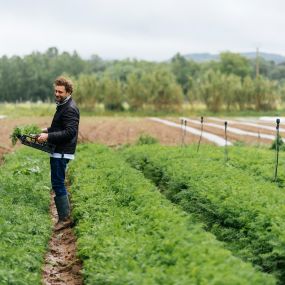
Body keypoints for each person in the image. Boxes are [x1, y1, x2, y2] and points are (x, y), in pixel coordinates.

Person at [37, 76, 80, 231]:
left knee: (58, 183)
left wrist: (48, 137)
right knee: (58, 182)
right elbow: (61, 127)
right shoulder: (63, 105)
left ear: (68, 91)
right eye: (55, 91)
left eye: (60, 91)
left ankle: (65, 219)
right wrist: (46, 130)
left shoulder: (69, 108)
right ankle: (64, 215)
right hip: (59, 150)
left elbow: (69, 132)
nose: (57, 94)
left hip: (62, 152)